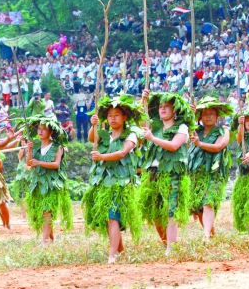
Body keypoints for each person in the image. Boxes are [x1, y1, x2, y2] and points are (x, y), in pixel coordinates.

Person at [83, 95, 144, 263]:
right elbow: (91, 138)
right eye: (110, 115)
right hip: (104, 180)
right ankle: (120, 250)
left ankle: (112, 255)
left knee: (113, 216)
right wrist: (93, 125)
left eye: (117, 115)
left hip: (121, 182)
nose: (113, 118)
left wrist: (102, 156)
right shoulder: (105, 134)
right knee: (108, 217)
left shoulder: (130, 135)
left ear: (124, 117)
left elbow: (122, 153)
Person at [139, 90, 194, 254]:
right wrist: (143, 101)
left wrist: (153, 139)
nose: (162, 109)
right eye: (160, 107)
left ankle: (171, 247)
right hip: (153, 172)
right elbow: (142, 123)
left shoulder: (182, 127)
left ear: (174, 110)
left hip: (172, 173)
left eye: (166, 107)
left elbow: (174, 146)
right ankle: (166, 242)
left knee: (171, 210)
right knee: (155, 211)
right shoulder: (154, 126)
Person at [188, 97, 233, 241]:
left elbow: (219, 146)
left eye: (211, 113)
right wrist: (190, 115)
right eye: (205, 113)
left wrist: (200, 144)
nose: (208, 116)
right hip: (197, 174)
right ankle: (210, 234)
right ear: (200, 116)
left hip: (215, 173)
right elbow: (184, 128)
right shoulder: (196, 131)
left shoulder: (223, 131)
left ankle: (206, 236)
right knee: (198, 207)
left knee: (208, 201)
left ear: (217, 116)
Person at [25, 115, 73, 246]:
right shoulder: (35, 146)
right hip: (38, 183)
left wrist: (39, 162)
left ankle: (44, 241)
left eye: (44, 129)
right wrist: (28, 150)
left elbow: (56, 164)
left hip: (52, 183)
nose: (40, 131)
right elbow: (29, 163)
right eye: (39, 129)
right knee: (42, 213)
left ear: (51, 132)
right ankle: (51, 238)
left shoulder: (58, 147)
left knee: (47, 211)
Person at [0, 127, 22, 229]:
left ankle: (7, 223)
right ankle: (1, 223)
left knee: (2, 202)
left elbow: (6, 144)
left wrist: (16, 139)